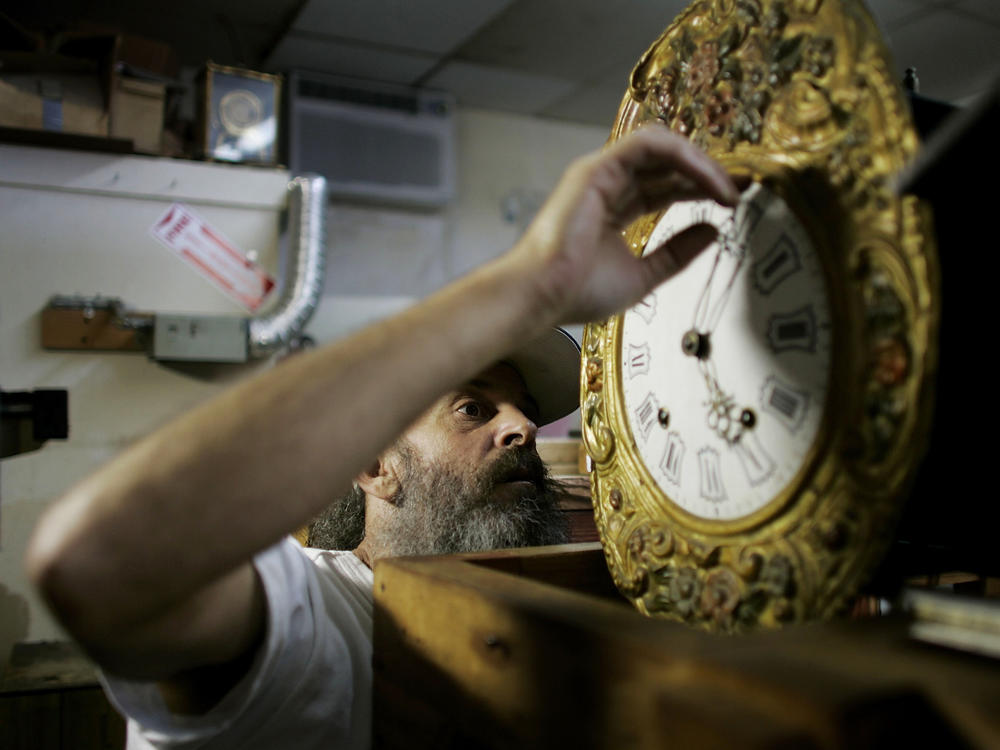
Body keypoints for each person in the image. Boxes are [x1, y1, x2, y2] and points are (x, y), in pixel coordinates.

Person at [25, 124, 738, 749]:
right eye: (471, 409)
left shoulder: (533, 620)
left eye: (521, 409)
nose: (521, 425)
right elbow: (100, 562)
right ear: (373, 465)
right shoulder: (312, 621)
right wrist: (527, 286)